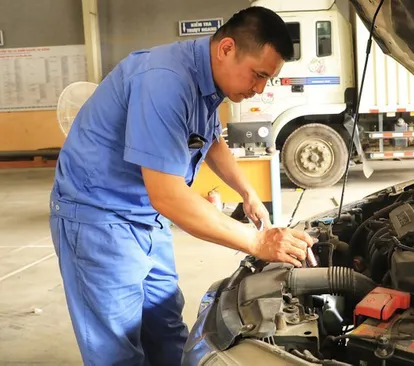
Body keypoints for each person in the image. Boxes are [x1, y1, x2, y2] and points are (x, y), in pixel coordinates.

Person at [48, 6, 314, 366]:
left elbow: (208, 140)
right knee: (118, 349)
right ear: (226, 49)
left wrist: (247, 191)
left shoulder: (208, 82)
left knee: (167, 332)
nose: (260, 89)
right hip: (99, 217)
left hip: (144, 215)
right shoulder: (165, 81)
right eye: (258, 75)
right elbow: (168, 195)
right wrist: (257, 242)